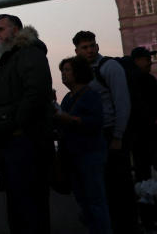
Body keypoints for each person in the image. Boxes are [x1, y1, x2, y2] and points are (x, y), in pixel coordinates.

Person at [0, 14, 53, 234]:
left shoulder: (29, 54)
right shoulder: (9, 59)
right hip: (11, 144)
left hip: (25, 143)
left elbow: (36, 94)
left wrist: (14, 125)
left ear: (16, 31)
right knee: (17, 208)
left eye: (1, 29)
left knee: (29, 208)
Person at [72, 31, 136, 234]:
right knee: (102, 189)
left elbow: (122, 102)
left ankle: (127, 228)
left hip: (110, 135)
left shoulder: (110, 67)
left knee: (120, 188)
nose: (90, 50)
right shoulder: (80, 73)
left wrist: (118, 136)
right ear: (77, 51)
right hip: (93, 137)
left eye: (92, 45)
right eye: (85, 47)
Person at [55, 56, 111, 234]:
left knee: (95, 201)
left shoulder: (90, 95)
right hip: (73, 156)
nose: (63, 74)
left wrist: (68, 119)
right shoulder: (67, 99)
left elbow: (95, 122)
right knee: (83, 202)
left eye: (67, 70)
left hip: (90, 155)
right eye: (62, 71)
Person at [129, 47, 157, 181]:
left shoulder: (146, 79)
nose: (151, 62)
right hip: (144, 132)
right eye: (147, 59)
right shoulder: (142, 79)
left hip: (143, 132)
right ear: (137, 61)